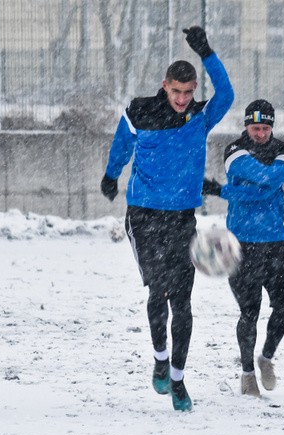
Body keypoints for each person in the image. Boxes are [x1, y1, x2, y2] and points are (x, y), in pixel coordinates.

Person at [100, 26, 234, 412]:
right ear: (165, 85)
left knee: (184, 301)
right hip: (143, 216)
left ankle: (177, 378)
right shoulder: (141, 109)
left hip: (181, 219)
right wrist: (112, 174)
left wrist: (207, 52)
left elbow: (226, 95)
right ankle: (160, 357)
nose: (181, 99)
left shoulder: (200, 116)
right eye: (176, 91)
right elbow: (122, 143)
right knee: (158, 292)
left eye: (188, 92)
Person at [203, 99, 284, 397]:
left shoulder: (283, 150)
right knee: (249, 312)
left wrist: (224, 191)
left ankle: (266, 357)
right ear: (246, 126)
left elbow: (266, 184)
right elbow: (267, 178)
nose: (260, 133)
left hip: (275, 243)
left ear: (272, 127)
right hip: (241, 244)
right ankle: (247, 374)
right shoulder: (234, 150)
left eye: (265, 128)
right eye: (255, 128)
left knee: (283, 309)